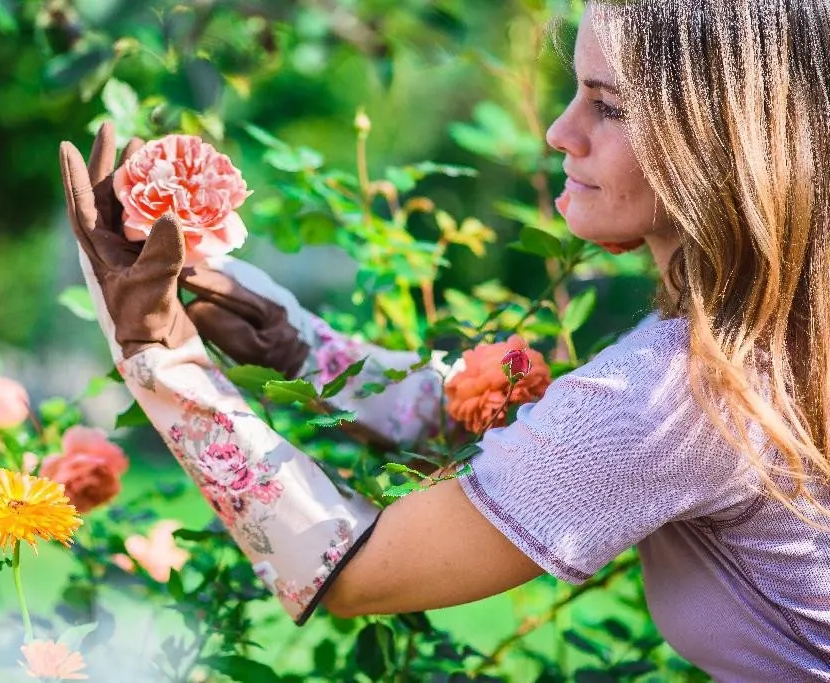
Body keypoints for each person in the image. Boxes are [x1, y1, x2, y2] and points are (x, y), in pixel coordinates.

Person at [58, 1, 830, 679]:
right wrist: (298, 346)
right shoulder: (779, 332)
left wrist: (161, 357)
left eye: (609, 106)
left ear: (721, 137)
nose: (561, 132)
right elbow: (545, 436)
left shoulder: (682, 391)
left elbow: (354, 569)